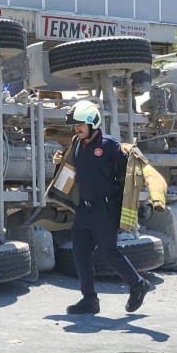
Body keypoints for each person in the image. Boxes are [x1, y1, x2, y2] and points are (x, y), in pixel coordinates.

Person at [62, 99, 152, 316]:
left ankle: (138, 283)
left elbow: (129, 173)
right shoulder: (76, 143)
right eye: (74, 125)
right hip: (84, 208)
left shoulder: (109, 145)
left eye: (80, 124)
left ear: (93, 122)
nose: (77, 128)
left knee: (108, 252)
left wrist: (135, 201)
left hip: (105, 208)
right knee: (80, 251)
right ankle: (89, 299)